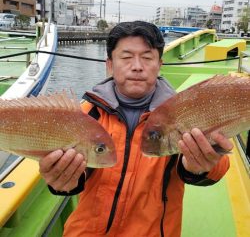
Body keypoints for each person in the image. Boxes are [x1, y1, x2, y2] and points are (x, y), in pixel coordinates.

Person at [39, 21, 233, 237]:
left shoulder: (184, 112)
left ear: (159, 64)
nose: (137, 66)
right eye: (126, 57)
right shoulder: (85, 114)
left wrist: (200, 165)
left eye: (147, 57)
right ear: (110, 65)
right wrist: (62, 179)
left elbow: (216, 168)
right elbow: (75, 177)